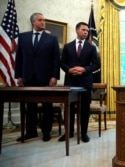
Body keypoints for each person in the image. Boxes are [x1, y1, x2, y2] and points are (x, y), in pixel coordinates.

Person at [15, 13, 60, 142]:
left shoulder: (52, 38)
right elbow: (19, 58)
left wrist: (54, 76)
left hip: (46, 78)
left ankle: (46, 132)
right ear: (33, 22)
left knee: (47, 106)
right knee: (30, 107)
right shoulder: (23, 37)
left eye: (44, 20)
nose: (43, 22)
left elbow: (56, 59)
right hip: (28, 77)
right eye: (40, 20)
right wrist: (18, 75)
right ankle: (31, 132)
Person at [59, 22, 100, 142]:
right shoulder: (67, 46)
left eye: (87, 30)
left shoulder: (91, 48)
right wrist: (69, 70)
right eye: (83, 30)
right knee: (69, 108)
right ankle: (70, 132)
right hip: (71, 81)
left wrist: (84, 69)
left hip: (85, 81)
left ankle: (84, 133)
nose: (86, 32)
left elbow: (96, 64)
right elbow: (62, 63)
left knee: (84, 108)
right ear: (77, 30)